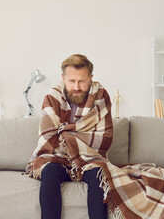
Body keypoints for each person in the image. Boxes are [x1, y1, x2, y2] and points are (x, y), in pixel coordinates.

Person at [26, 54, 113, 219]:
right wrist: (74, 139)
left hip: (91, 158)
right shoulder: (52, 98)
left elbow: (105, 138)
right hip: (58, 158)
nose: (76, 87)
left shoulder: (101, 97)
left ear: (91, 78)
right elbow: (49, 138)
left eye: (82, 81)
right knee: (49, 171)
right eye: (72, 81)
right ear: (63, 78)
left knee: (100, 175)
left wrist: (66, 135)